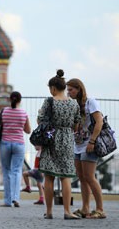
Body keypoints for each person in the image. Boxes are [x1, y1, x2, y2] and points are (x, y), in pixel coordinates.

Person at [39, 69, 81, 220]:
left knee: (49, 176)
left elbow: (40, 120)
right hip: (67, 139)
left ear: (53, 88)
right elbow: (76, 125)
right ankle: (67, 211)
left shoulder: (49, 101)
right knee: (66, 177)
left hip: (51, 138)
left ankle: (49, 212)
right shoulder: (74, 103)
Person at [67, 78, 107, 219]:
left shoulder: (91, 102)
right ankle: (85, 208)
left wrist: (92, 141)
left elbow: (99, 121)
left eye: (71, 89)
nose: (69, 92)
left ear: (79, 89)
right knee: (82, 178)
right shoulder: (74, 105)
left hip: (89, 145)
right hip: (77, 145)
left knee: (90, 177)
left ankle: (100, 209)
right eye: (67, 90)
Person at [0, 91, 31, 208]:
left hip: (5, 144)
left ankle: (7, 201)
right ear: (20, 100)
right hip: (19, 144)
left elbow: (0, 126)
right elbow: (28, 130)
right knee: (17, 171)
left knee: (6, 171)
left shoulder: (4, 112)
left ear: (9, 99)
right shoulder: (23, 113)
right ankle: (15, 198)